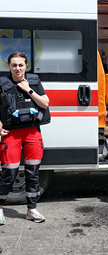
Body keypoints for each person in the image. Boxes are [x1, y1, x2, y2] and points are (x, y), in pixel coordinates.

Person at [0, 51, 50, 224]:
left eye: (21, 64)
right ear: (9, 66)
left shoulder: (34, 82)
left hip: (32, 132)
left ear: (26, 66)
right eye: (14, 65)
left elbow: (45, 103)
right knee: (8, 173)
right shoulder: (2, 83)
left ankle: (32, 210)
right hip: (11, 133)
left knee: (33, 173)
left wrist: (28, 89)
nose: (17, 68)